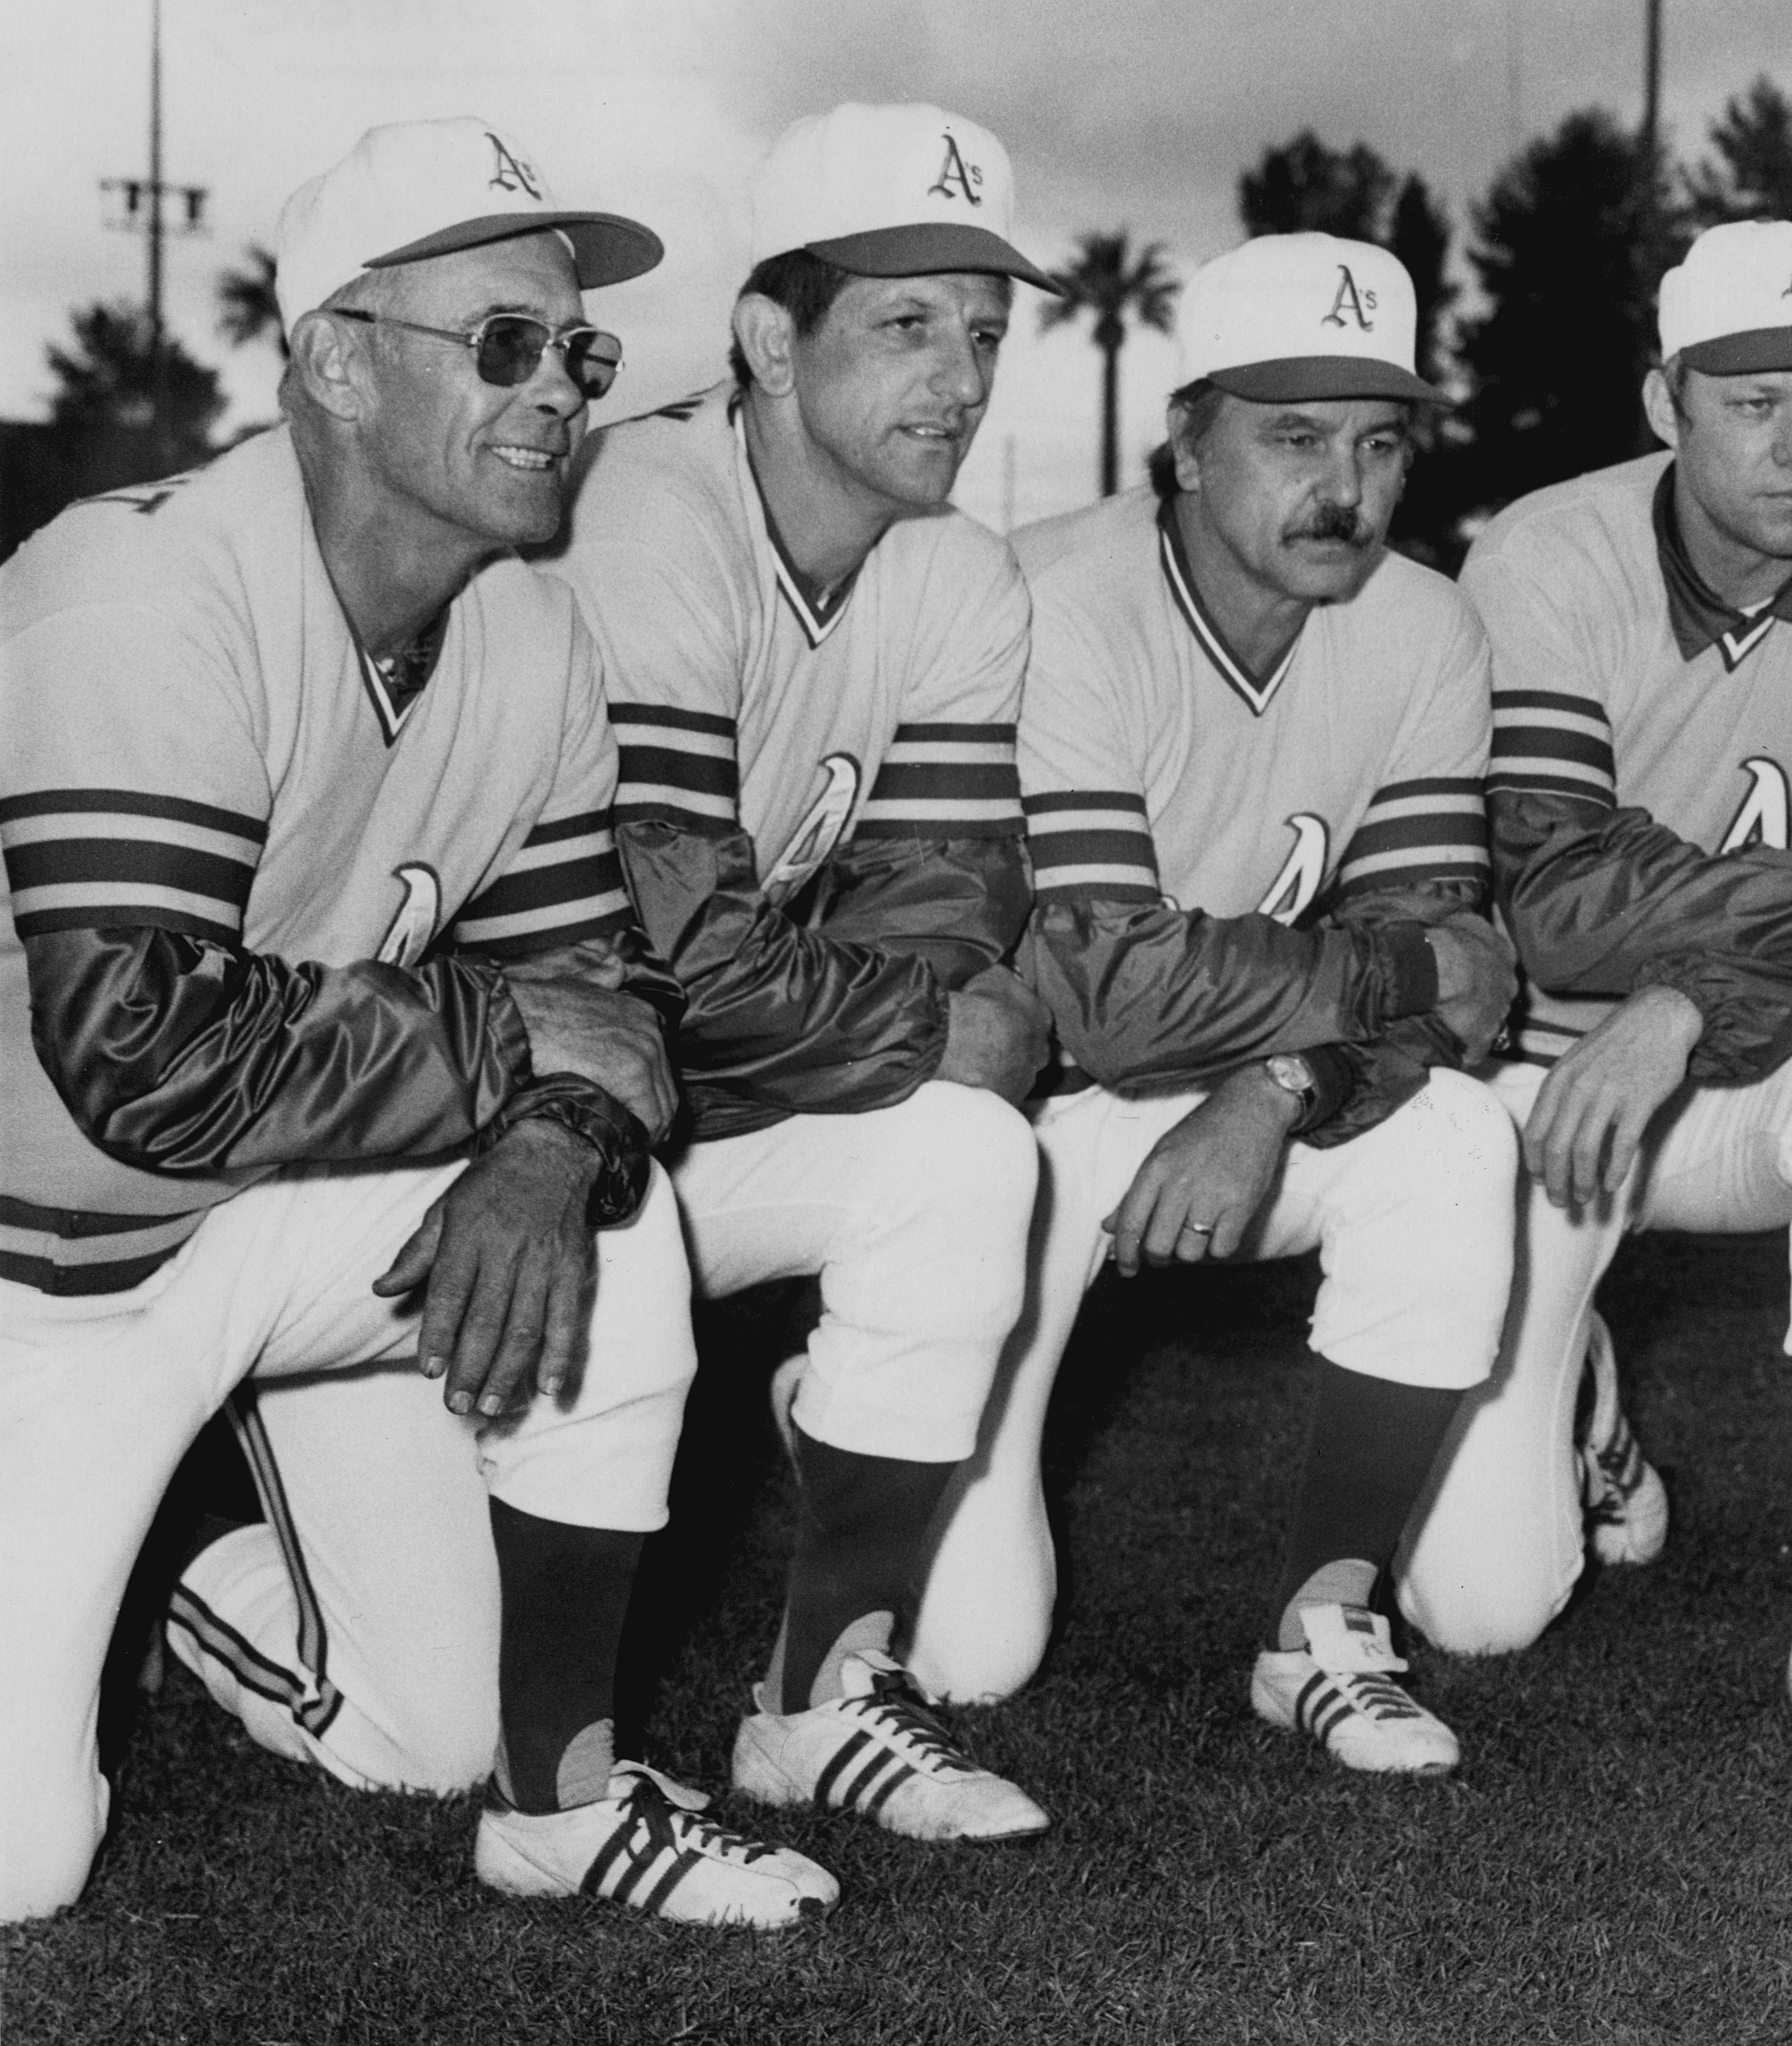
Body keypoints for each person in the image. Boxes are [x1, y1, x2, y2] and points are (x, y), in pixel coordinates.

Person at [1, 119, 835, 1927]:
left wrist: (546, 1135)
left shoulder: (529, 627)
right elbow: (139, 1047)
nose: (564, 395)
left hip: (260, 1213)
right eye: (507, 344)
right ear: (334, 361)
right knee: (19, 1866)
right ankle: (98, 1530)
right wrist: (515, 1044)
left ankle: (553, 1801)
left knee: (426, 1715)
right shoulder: (139, 580)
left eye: (582, 354)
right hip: (35, 1268)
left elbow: (609, 1016)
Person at [1408, 222, 1792, 1766]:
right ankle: (1583, 1392)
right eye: (1752, 402)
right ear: (1663, 403)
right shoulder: (1548, 552)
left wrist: (1691, 997)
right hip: (1548, 1089)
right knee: (1484, 1608)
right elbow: (1557, 904)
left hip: (1761, 1070)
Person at [904, 233, 1519, 1776]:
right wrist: (1375, 994)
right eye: (1294, 438)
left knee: (1454, 1137)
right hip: (1025, 1124)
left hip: (1261, 1087)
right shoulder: (1051, 595)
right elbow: (1105, 992)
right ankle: (852, 1374)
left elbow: (1463, 975)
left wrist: (1277, 1088)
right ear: (1183, 442)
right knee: (977, 1662)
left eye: (1380, 445)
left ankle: (1325, 1628)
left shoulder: (1422, 622)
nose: (1347, 489)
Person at [537, 102, 1055, 1842]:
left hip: (690, 1116)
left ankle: (821, 1695)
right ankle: (220, 1530)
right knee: (426, 1721)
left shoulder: (959, 573)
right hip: (482, 1146)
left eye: (987, 331)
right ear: (767, 335)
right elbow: (671, 952)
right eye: (908, 324)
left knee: (972, 1141)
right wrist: (890, 1012)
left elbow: (944, 929)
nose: (964, 379)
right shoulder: (642, 507)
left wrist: (873, 1011)